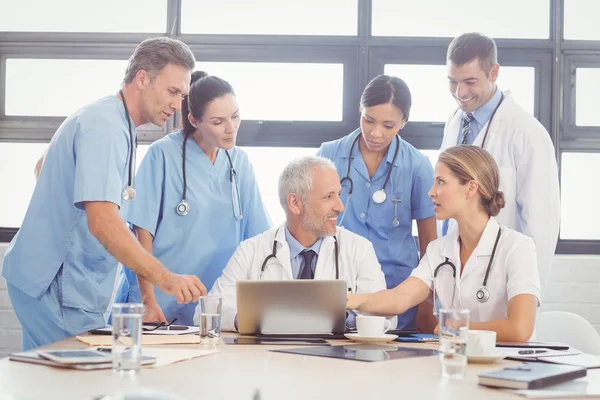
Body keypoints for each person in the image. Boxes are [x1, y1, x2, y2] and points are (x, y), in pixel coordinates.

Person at [2, 37, 206, 350]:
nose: (178, 106)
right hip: (55, 288)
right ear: (142, 79)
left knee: (46, 384)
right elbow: (103, 223)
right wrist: (168, 279)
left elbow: (43, 167)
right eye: (172, 92)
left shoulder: (114, 120)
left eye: (183, 95)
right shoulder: (107, 126)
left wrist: (148, 298)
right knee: (89, 381)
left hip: (50, 282)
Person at [347, 145, 541, 342]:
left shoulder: (518, 248)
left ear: (471, 188)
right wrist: (350, 300)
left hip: (510, 364)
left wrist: (454, 327)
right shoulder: (438, 250)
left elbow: (519, 329)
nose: (431, 192)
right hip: (457, 360)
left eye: (440, 182)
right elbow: (401, 298)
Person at [125, 71, 271, 326]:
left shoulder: (240, 163)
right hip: (163, 306)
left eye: (235, 117)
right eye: (218, 122)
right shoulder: (162, 156)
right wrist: (148, 301)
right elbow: (141, 235)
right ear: (194, 120)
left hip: (219, 308)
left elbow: (259, 239)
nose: (231, 129)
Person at [201, 156, 393, 331]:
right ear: (295, 202)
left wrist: (342, 316)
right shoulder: (252, 250)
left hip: (337, 363)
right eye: (328, 197)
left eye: (339, 194)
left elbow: (387, 318)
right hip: (268, 361)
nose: (340, 207)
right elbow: (208, 313)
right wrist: (252, 319)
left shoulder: (358, 249)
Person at [441, 32, 559, 291]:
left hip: (500, 280)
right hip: (454, 271)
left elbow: (541, 225)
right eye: (453, 82)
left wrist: (525, 295)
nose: (460, 93)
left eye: (470, 82)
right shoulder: (455, 120)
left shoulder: (527, 133)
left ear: (493, 72)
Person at [317, 75, 437, 329]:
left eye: (388, 125)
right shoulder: (328, 155)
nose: (375, 133)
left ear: (404, 122)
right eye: (368, 120)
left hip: (397, 295)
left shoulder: (417, 166)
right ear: (360, 110)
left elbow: (430, 246)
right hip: (339, 291)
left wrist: (428, 303)